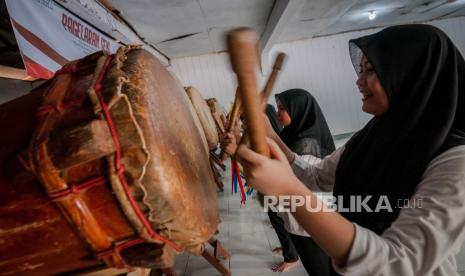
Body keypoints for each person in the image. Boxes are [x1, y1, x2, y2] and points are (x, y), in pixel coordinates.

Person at [235, 24, 465, 276]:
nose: (359, 80)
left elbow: (400, 262)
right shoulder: (370, 136)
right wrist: (271, 137)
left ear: (410, 75)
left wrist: (288, 190)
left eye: (371, 70)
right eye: (361, 69)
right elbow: (315, 176)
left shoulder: (455, 160)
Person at [274, 89, 334, 275]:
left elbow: (300, 182)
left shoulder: (306, 145)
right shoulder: (291, 136)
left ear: (298, 110)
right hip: (298, 220)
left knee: (319, 268)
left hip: (309, 224)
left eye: (282, 109)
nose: (278, 113)